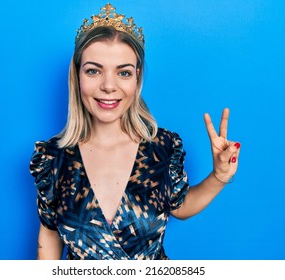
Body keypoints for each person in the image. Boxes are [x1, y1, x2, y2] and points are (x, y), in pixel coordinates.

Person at [29, 3, 241, 260]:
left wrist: (219, 175)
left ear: (137, 78)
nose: (109, 86)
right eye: (94, 70)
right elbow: (50, 235)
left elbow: (180, 206)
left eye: (124, 72)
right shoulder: (52, 158)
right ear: (78, 76)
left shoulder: (163, 147)